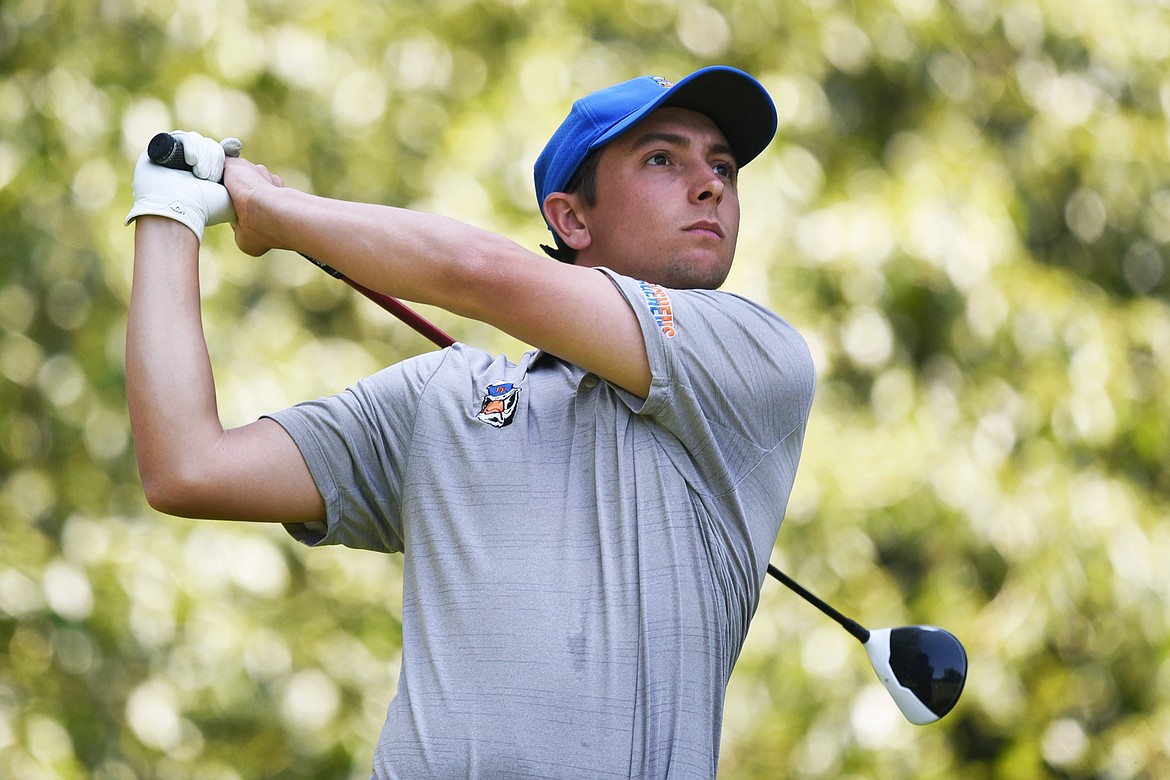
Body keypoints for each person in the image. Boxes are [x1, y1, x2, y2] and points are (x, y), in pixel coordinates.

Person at [125, 65, 816, 778]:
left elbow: (482, 274)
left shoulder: (756, 357)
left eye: (725, 168)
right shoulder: (447, 396)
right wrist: (168, 213)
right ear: (572, 218)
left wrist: (277, 210)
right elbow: (187, 468)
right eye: (662, 159)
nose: (712, 185)